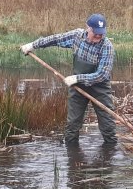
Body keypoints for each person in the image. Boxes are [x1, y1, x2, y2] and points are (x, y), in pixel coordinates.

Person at [21, 13, 117, 145]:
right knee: (72, 125)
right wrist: (33, 45)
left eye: (101, 34)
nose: (99, 37)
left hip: (99, 88)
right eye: (96, 33)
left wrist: (78, 77)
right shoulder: (76, 36)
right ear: (88, 28)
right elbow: (55, 39)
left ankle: (110, 160)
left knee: (108, 125)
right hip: (77, 88)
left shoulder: (107, 46)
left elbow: (102, 75)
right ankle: (72, 159)